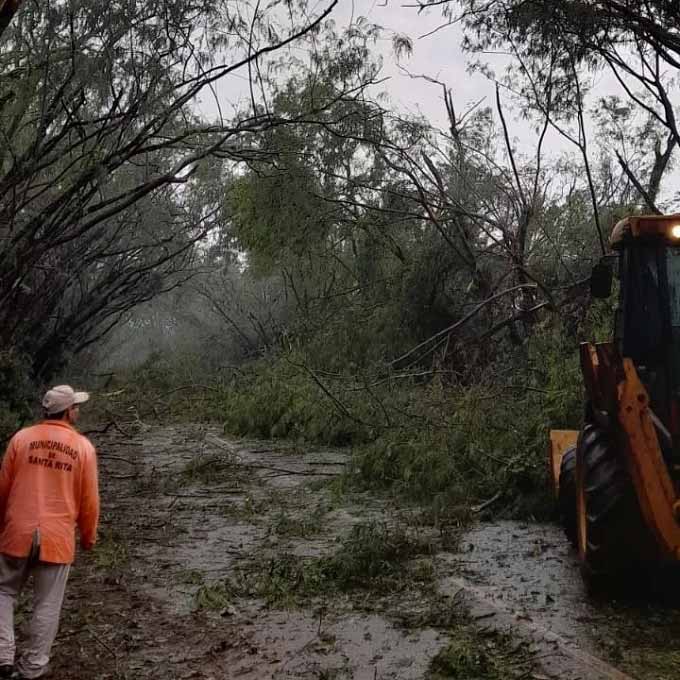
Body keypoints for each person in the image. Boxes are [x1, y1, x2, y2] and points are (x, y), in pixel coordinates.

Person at [0, 385, 99, 679]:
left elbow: (3, 489)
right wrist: (88, 536)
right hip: (57, 539)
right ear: (68, 412)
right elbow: (89, 500)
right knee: (47, 603)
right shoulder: (83, 447)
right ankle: (32, 667)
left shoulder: (21, 439)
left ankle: (2, 654)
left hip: (17, 532)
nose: (78, 410)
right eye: (76, 406)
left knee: (3, 591)